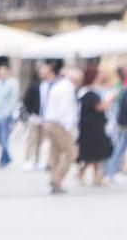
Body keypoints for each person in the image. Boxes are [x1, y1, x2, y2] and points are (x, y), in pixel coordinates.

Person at [40, 65, 80, 194]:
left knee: (55, 154)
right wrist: (68, 126)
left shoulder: (58, 86)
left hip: (50, 121)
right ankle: (57, 179)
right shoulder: (67, 88)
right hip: (59, 124)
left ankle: (54, 180)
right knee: (71, 153)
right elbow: (65, 109)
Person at [75, 83, 112, 186]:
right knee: (93, 155)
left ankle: (93, 176)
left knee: (94, 155)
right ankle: (90, 175)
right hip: (93, 130)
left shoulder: (85, 94)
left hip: (90, 128)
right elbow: (100, 107)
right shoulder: (90, 94)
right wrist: (110, 99)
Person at [0, 64, 19, 168]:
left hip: (6, 114)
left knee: (3, 137)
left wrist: (8, 113)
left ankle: (3, 159)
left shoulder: (12, 83)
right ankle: (7, 157)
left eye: (2, 71)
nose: (0, 73)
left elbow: (13, 100)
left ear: (7, 72)